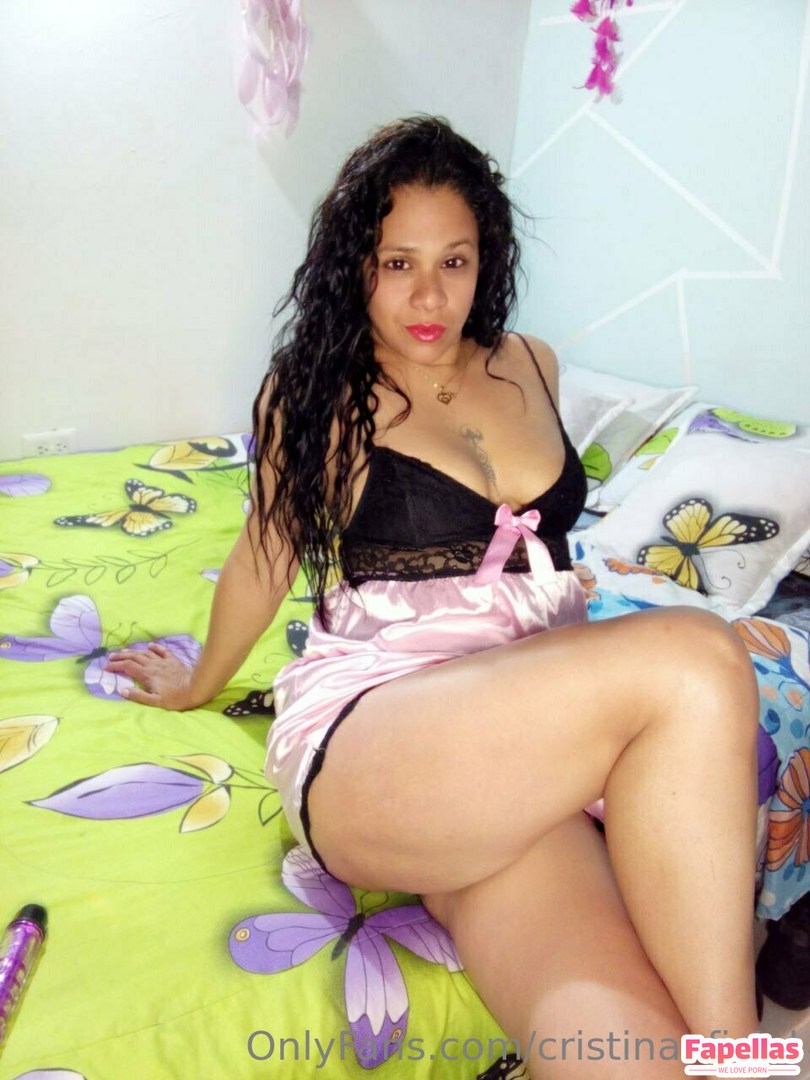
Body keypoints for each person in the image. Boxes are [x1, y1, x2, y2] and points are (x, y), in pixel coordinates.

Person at [106, 116, 762, 1077]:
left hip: (517, 759)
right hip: (379, 739)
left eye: (453, 262)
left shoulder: (530, 363)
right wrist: (200, 682)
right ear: (356, 267)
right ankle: (742, 1056)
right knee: (698, 655)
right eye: (397, 264)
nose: (428, 297)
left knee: (635, 1058)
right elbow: (263, 555)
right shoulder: (320, 394)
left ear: (485, 259)